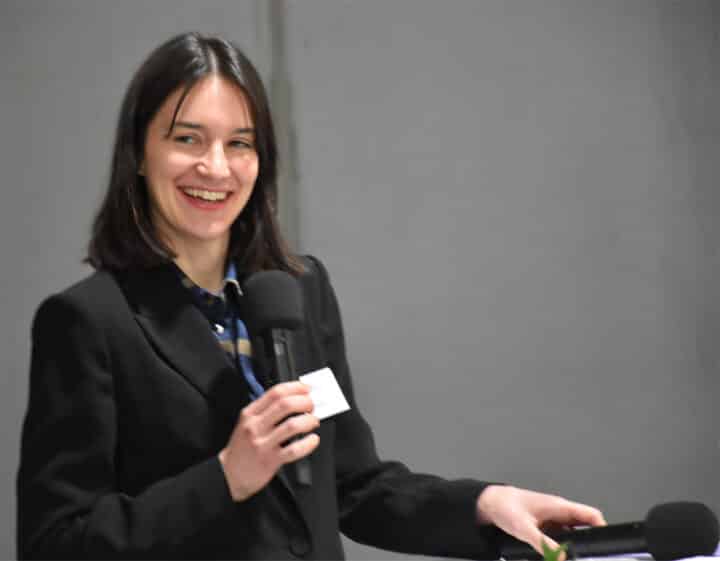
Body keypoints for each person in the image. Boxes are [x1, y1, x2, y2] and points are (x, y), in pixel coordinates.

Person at [16, 32, 605, 560]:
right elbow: (57, 542)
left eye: (240, 143)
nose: (215, 167)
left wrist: (482, 504)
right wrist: (224, 478)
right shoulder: (88, 321)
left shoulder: (295, 292)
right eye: (187, 138)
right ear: (139, 154)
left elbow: (353, 486)